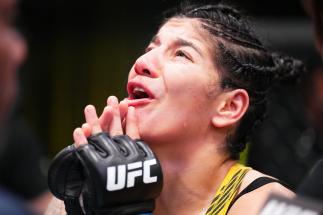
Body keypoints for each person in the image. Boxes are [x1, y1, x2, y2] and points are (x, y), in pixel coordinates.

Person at [47, 1, 306, 214]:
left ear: (228, 106)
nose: (142, 62)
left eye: (181, 54)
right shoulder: (88, 191)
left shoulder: (273, 207)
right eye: (150, 48)